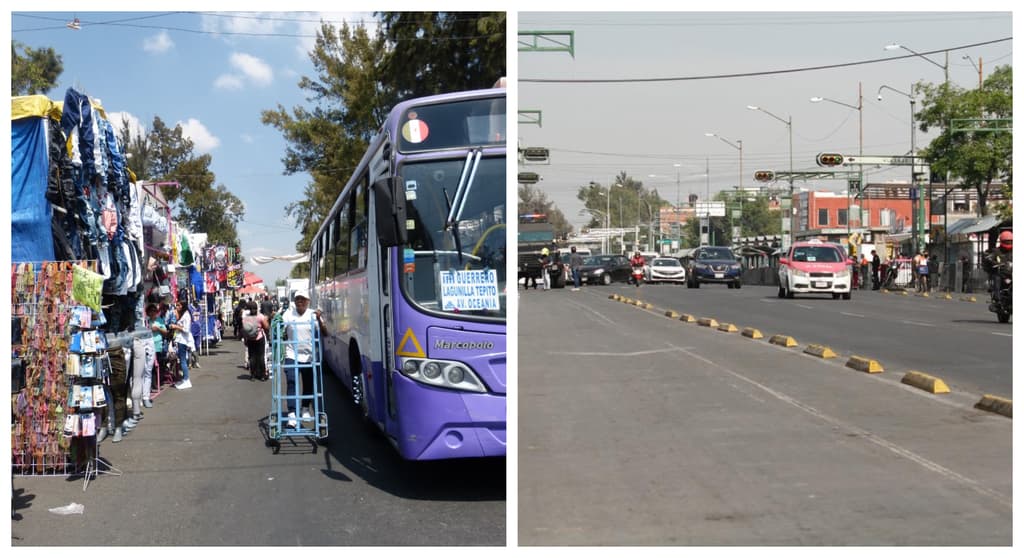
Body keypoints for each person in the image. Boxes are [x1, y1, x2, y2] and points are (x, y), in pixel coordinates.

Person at [281, 290, 324, 428]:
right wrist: (275, 321)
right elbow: (279, 326)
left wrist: (320, 321)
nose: (300, 301)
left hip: (308, 355)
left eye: (303, 299)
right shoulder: (288, 314)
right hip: (291, 354)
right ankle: (292, 414)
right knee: (292, 381)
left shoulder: (313, 314)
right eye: (297, 299)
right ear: (294, 301)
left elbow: (325, 333)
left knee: (308, 383)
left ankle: (305, 408)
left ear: (308, 301)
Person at [168, 299, 195, 389]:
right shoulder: (183, 314)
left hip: (183, 340)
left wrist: (176, 326)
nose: (177, 307)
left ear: (183, 306)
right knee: (181, 360)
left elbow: (186, 329)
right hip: (180, 340)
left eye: (179, 305)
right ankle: (184, 379)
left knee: (183, 360)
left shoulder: (186, 315)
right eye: (177, 305)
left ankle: (187, 379)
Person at [145, 303, 168, 406]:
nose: (152, 313)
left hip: (158, 345)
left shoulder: (159, 320)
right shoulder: (146, 321)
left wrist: (158, 329)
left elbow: (165, 332)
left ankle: (157, 383)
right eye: (150, 312)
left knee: (159, 364)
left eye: (154, 311)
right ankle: (151, 385)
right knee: (150, 367)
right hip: (148, 345)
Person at [242, 300, 270, 381]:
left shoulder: (246, 318)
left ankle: (252, 375)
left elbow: (244, 329)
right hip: (259, 338)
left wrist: (245, 339)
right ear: (257, 308)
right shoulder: (260, 316)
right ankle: (262, 375)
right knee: (261, 356)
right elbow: (266, 327)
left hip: (250, 339)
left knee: (252, 357)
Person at [982, 230, 1013, 298]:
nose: (1009, 242)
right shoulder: (996, 251)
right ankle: (997, 297)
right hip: (1001, 273)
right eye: (1006, 241)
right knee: (997, 277)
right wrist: (995, 263)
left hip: (1011, 272)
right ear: (1002, 241)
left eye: (1010, 241)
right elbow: (989, 258)